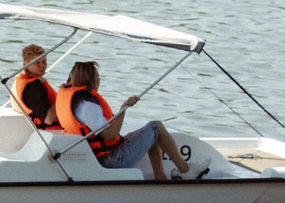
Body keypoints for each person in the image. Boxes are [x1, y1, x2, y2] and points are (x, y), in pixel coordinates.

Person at [53, 59, 188, 180]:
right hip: (111, 160)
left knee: (150, 133)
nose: (99, 81)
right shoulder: (87, 106)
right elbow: (110, 135)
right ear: (90, 80)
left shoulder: (72, 101)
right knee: (156, 126)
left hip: (95, 156)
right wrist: (124, 108)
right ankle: (186, 170)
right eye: (98, 77)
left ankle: (160, 178)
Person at [5, 43, 55, 125]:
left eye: (44, 61)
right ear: (26, 64)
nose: (42, 66)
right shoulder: (32, 88)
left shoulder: (22, 80)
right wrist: (61, 100)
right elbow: (48, 120)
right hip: (45, 128)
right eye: (37, 63)